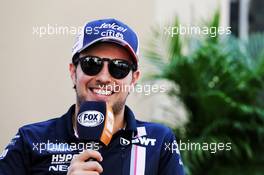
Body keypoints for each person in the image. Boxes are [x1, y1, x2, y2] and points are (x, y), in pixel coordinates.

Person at [0, 18, 185, 175]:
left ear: (134, 79)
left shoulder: (160, 142)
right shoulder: (31, 140)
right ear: (73, 72)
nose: (104, 78)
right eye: (91, 64)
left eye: (119, 67)